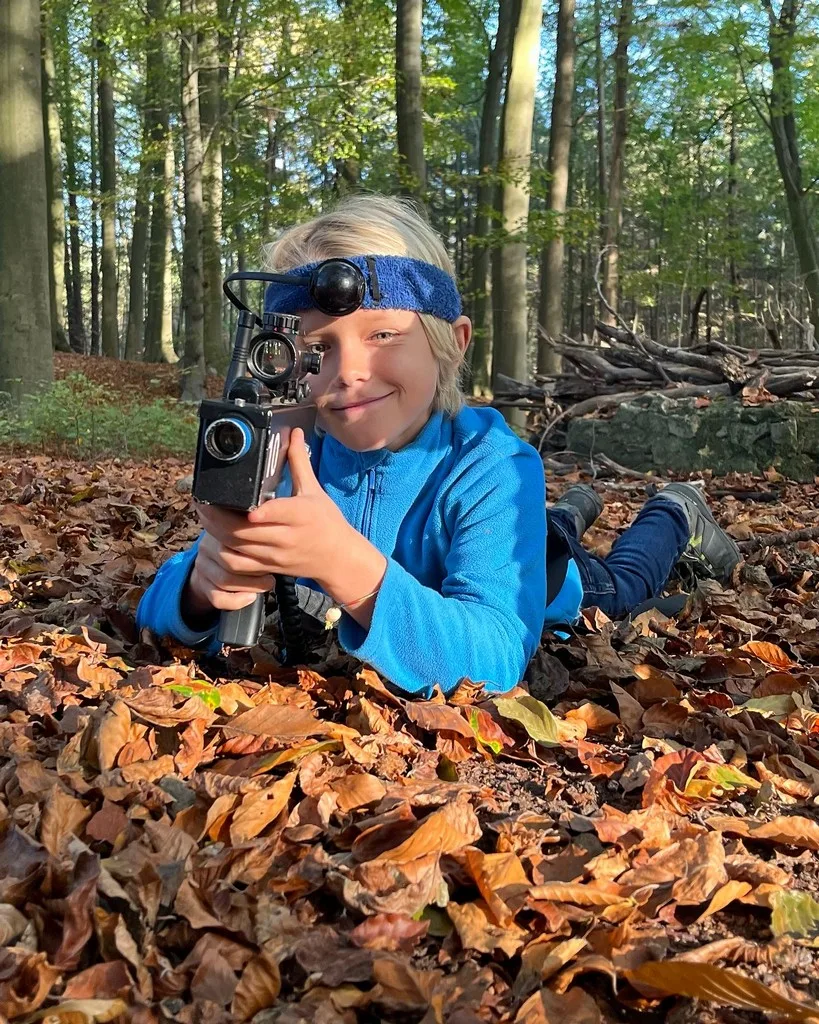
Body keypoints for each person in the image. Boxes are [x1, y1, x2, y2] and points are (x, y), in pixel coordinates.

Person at [136, 193, 740, 698]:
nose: (348, 372)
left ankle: (675, 510)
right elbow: (158, 599)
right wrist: (199, 588)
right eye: (319, 349)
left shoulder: (494, 465)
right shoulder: (291, 458)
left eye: (383, 334)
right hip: (486, 544)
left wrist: (346, 567)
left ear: (449, 342)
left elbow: (498, 658)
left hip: (554, 585)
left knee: (623, 585)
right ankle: (572, 508)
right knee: (545, 525)